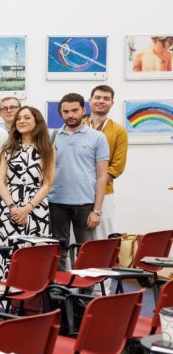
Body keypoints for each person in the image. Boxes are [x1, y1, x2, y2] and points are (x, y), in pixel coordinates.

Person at [0, 107, 55, 283]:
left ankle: (32, 296)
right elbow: (0, 182)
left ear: (37, 122)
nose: (21, 121)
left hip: (36, 207)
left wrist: (27, 208)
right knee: (6, 252)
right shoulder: (8, 148)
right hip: (9, 206)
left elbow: (47, 183)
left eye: (27, 117)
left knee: (34, 254)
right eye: (19, 118)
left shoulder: (47, 149)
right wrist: (13, 207)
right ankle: (3, 296)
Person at [49, 93, 109, 271]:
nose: (70, 115)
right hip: (56, 202)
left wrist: (97, 211)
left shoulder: (97, 137)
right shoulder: (52, 136)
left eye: (74, 110)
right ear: (61, 113)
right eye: (66, 111)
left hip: (85, 204)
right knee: (58, 250)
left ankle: (86, 288)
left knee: (86, 251)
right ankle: (59, 287)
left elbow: (102, 176)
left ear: (83, 110)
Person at [85, 85, 128, 240]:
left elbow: (117, 167)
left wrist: (98, 185)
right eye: (97, 97)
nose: (101, 101)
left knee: (102, 238)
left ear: (112, 103)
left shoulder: (119, 130)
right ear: (89, 101)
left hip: (105, 194)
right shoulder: (78, 127)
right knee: (75, 240)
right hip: (77, 194)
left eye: (106, 99)